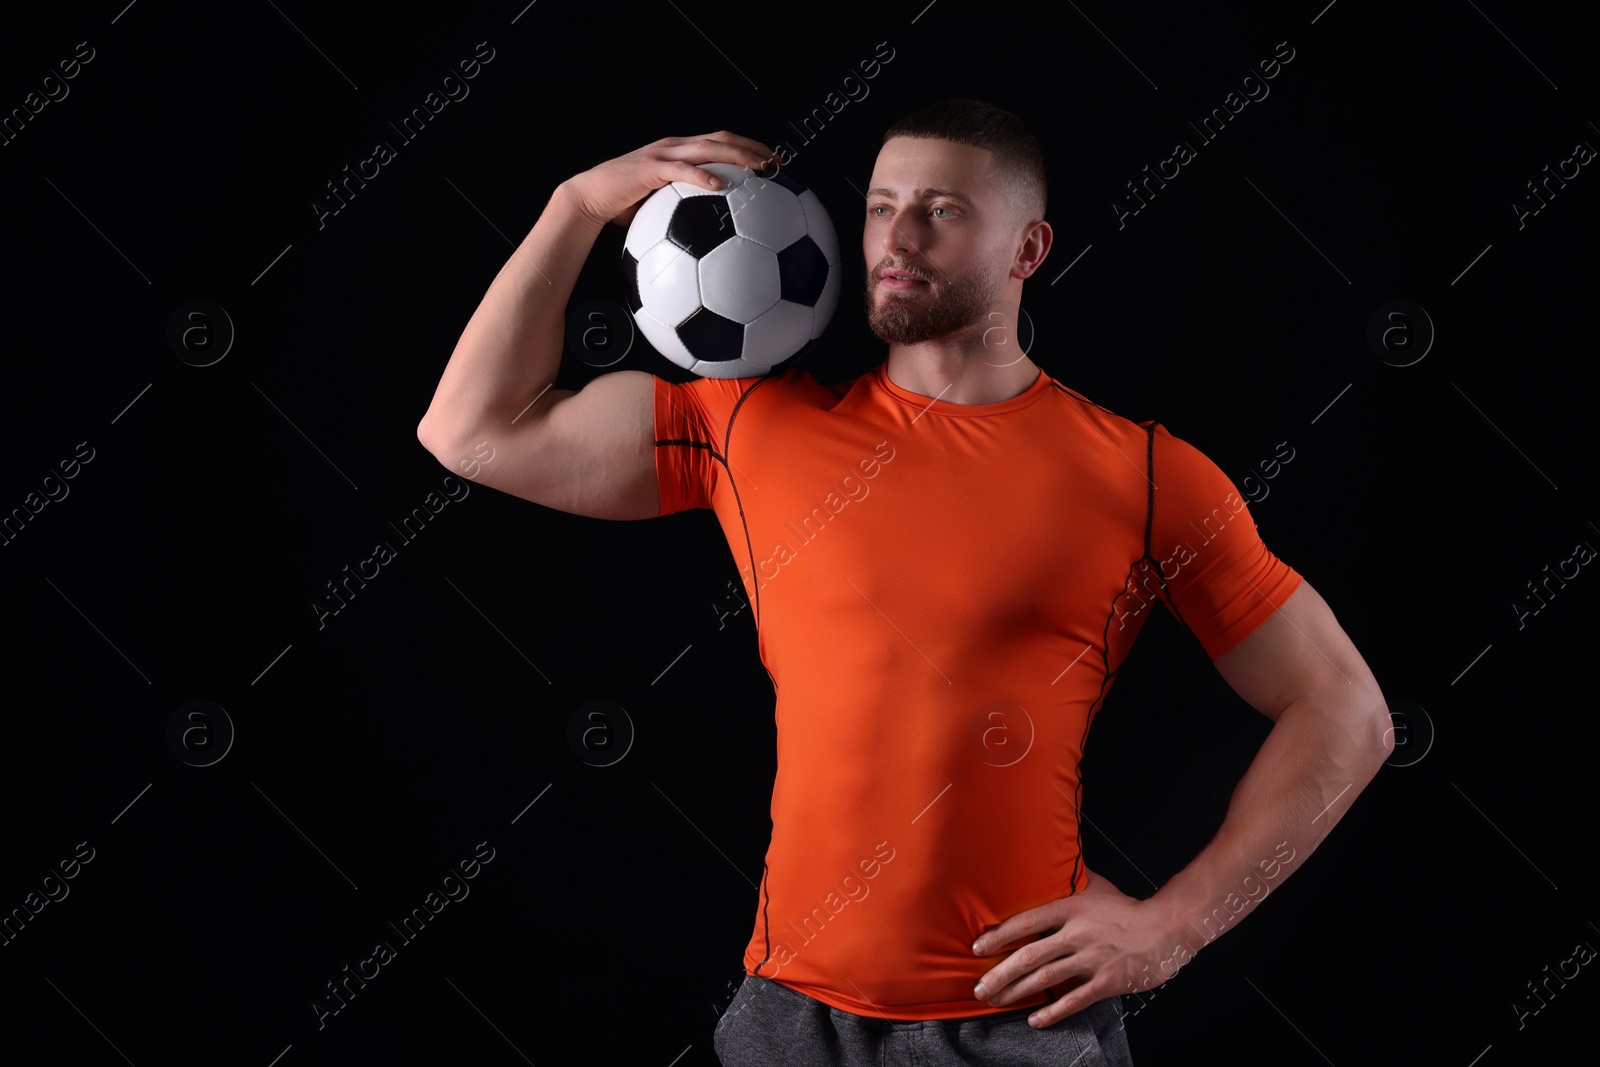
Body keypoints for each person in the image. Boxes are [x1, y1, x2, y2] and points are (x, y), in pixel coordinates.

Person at [418, 100, 1394, 1066]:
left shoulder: (1140, 474)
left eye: (942, 209)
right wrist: (574, 208)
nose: (898, 236)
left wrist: (1174, 925)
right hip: (786, 1021)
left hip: (1025, 1025)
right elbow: (470, 429)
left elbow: (1347, 711)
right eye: (882, 206)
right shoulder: (752, 426)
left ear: (1028, 249)